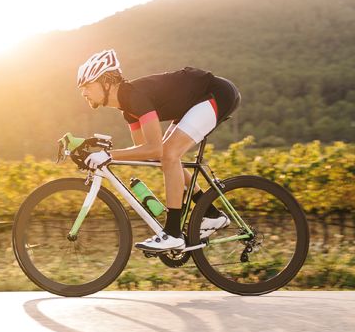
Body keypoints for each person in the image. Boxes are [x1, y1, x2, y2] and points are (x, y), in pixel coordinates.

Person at [74, 49, 241, 251]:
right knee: (165, 158)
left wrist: (108, 155)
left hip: (216, 94)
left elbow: (154, 149)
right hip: (195, 103)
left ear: (106, 82)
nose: (83, 92)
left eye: (87, 86)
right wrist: (104, 152)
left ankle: (173, 233)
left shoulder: (134, 97)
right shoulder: (127, 109)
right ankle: (211, 214)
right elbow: (147, 154)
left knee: (169, 154)